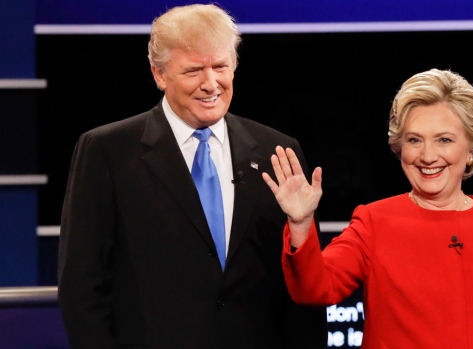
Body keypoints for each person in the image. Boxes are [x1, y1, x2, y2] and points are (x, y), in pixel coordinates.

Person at [57, 4, 326, 349]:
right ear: (159, 74)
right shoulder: (107, 151)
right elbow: (81, 284)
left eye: (220, 67)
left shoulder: (277, 151)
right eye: (194, 70)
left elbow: (301, 285)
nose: (210, 84)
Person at [263, 69, 473, 348]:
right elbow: (315, 289)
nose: (428, 156)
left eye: (444, 140)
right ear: (399, 147)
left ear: (470, 149)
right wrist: (300, 223)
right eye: (415, 140)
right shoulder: (374, 222)